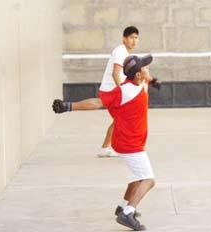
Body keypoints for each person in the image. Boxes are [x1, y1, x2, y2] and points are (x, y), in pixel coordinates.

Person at [53, 26, 139, 158]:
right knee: (111, 111)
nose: (134, 40)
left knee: (120, 119)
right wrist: (122, 90)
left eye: (136, 38)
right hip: (113, 89)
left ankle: (106, 148)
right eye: (132, 37)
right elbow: (116, 72)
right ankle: (67, 106)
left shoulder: (126, 54)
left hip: (115, 89)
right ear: (124, 39)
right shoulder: (121, 51)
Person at [100, 54, 156, 231]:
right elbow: (98, 102)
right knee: (148, 180)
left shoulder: (140, 83)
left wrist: (152, 79)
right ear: (138, 75)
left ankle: (122, 207)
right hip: (130, 145)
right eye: (145, 68)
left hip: (132, 142)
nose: (148, 69)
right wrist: (69, 106)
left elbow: (146, 78)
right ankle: (127, 213)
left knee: (136, 178)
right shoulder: (126, 91)